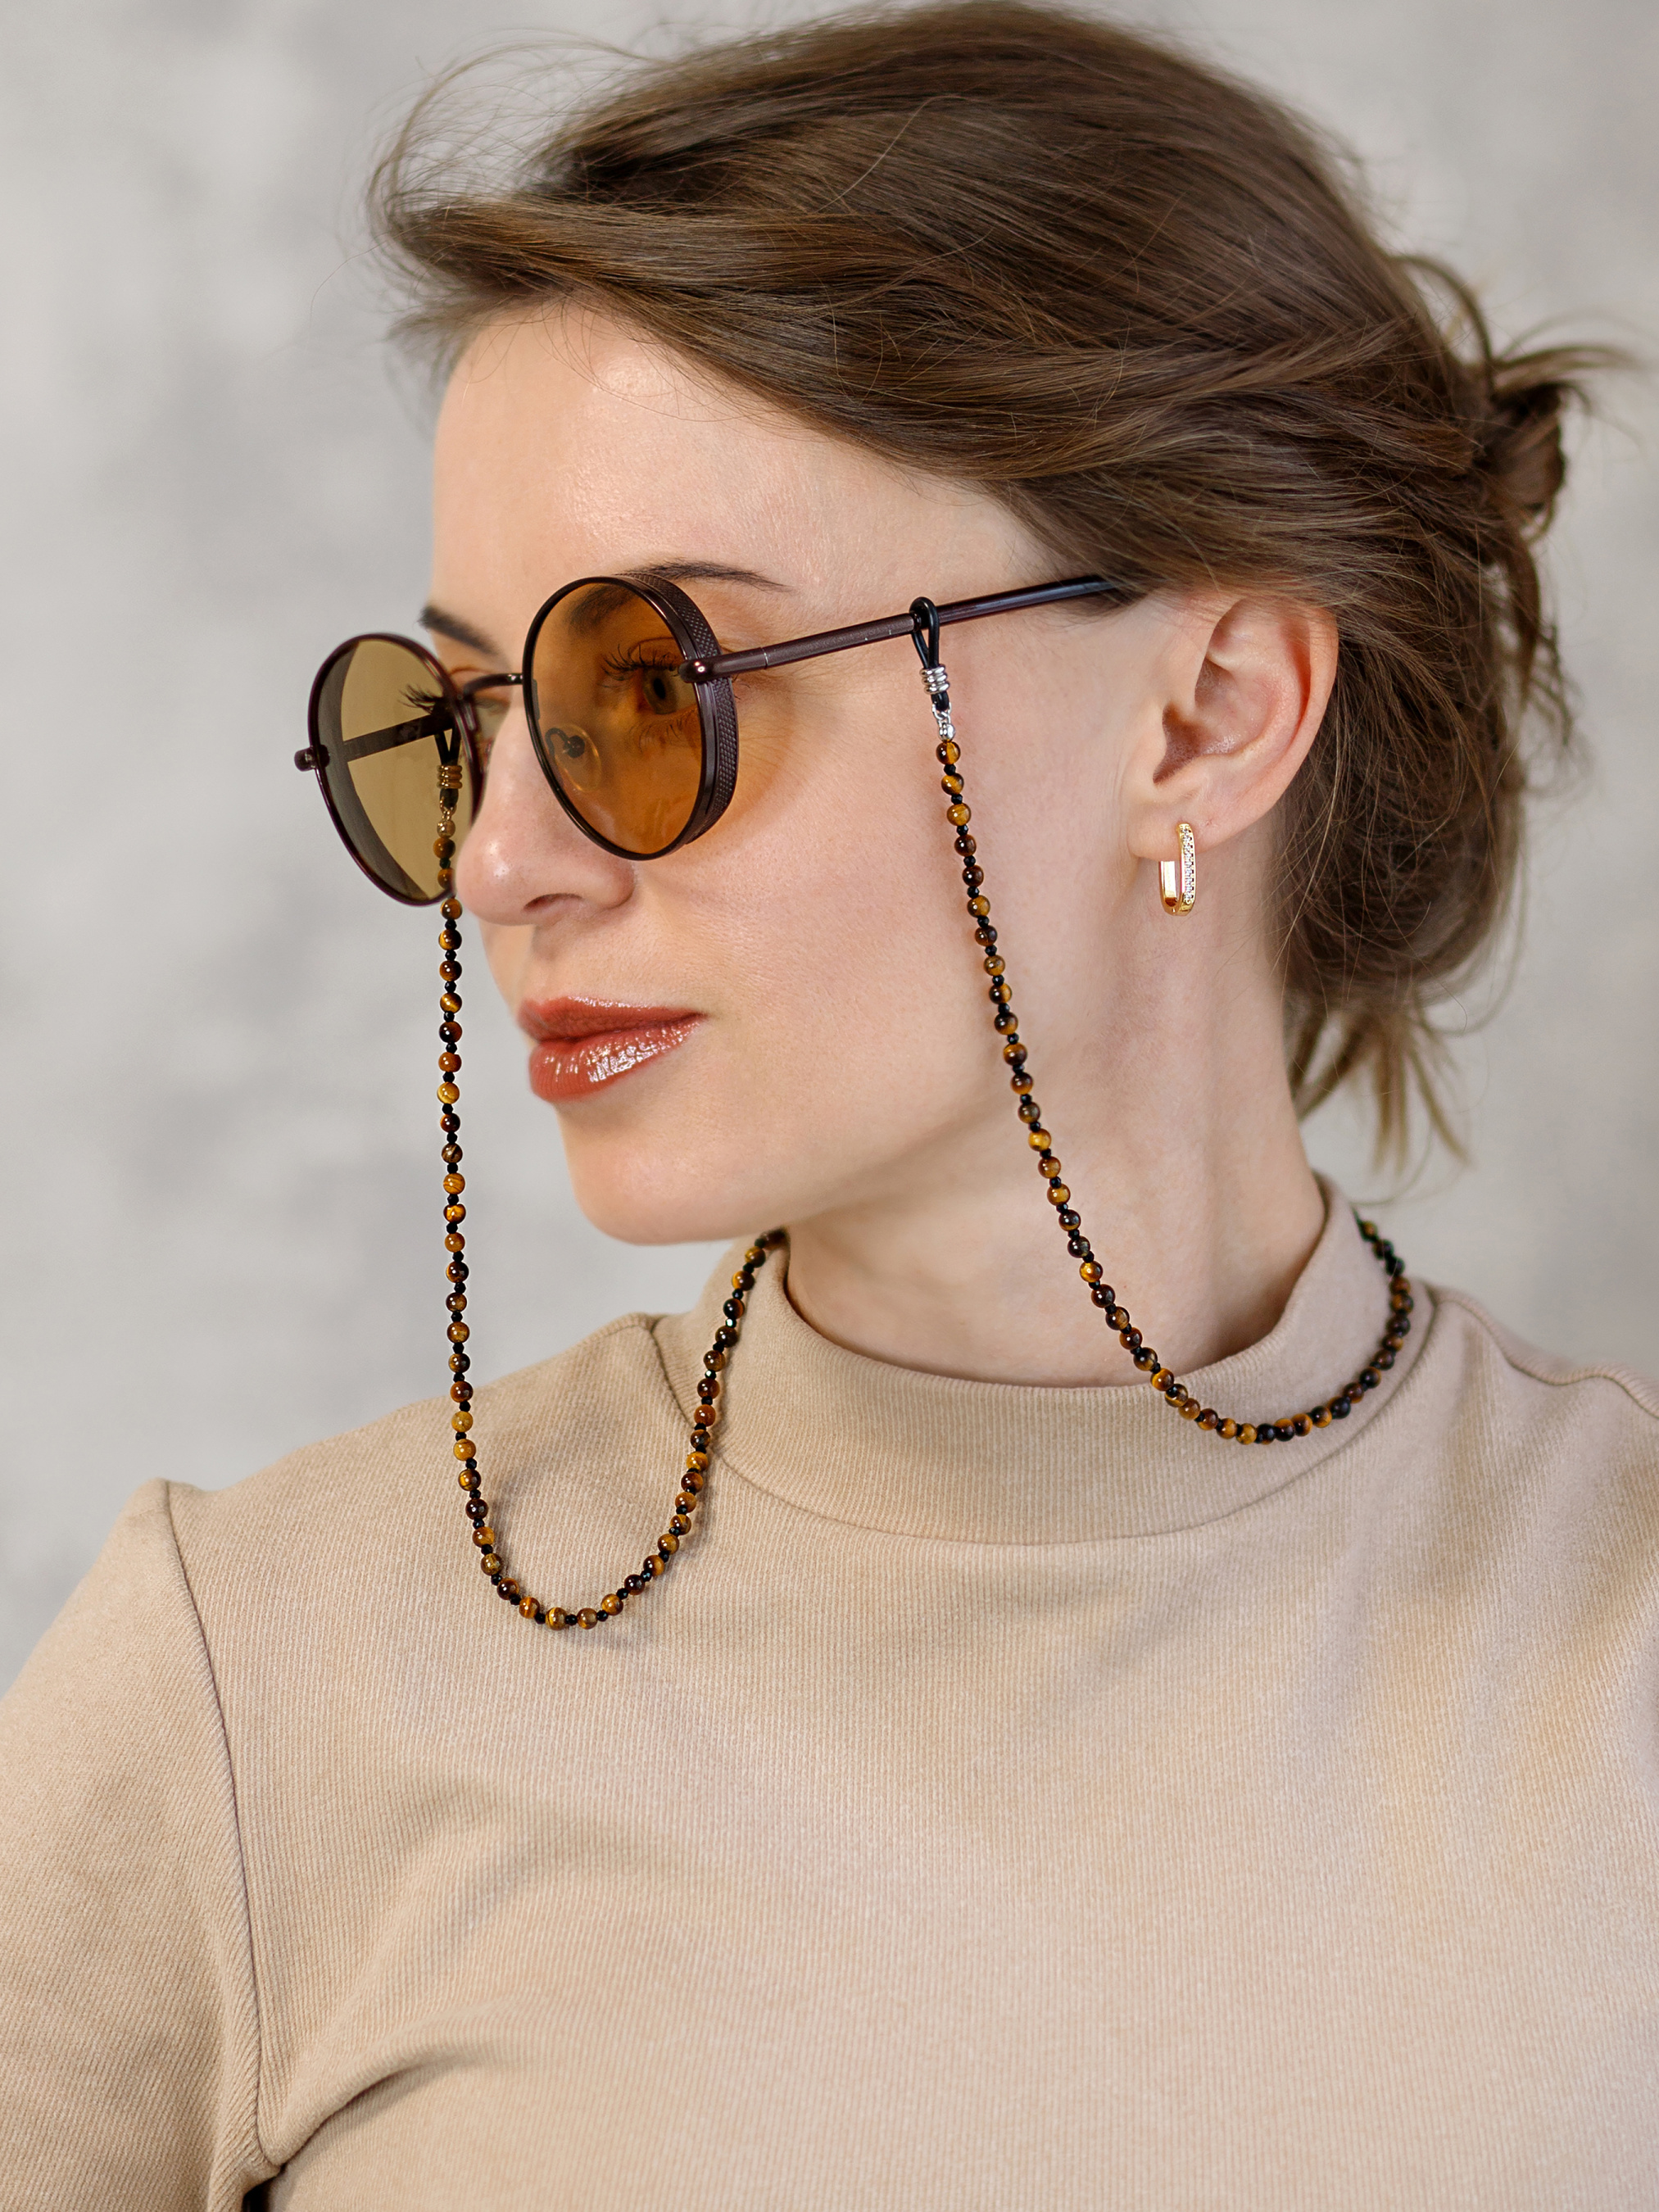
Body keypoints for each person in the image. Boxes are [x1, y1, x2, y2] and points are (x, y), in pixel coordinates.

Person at [2, 4, 1652, 2205]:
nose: (505, 858)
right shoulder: (247, 1687)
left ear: (1205, 715)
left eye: (650, 686)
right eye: (463, 715)